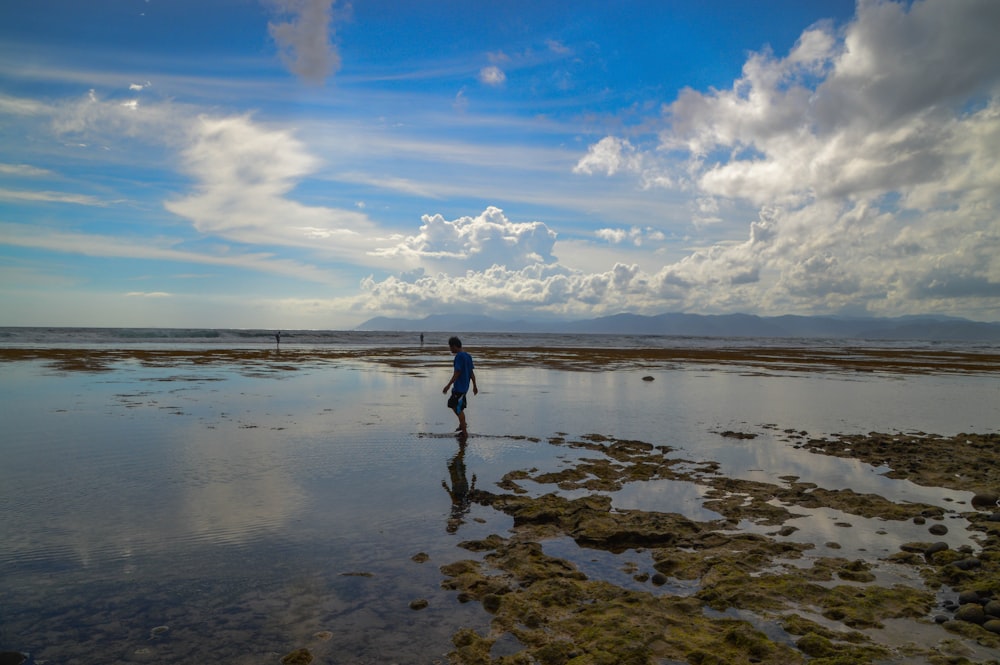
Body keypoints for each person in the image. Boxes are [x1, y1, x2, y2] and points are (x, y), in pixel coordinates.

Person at [442, 336, 478, 435]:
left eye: (450, 347)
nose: (450, 349)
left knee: (455, 407)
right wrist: (474, 385)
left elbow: (457, 372)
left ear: (454, 346)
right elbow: (471, 372)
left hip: (459, 387)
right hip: (464, 387)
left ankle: (464, 431)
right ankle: (462, 425)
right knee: (457, 406)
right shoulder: (468, 356)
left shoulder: (459, 356)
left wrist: (448, 385)